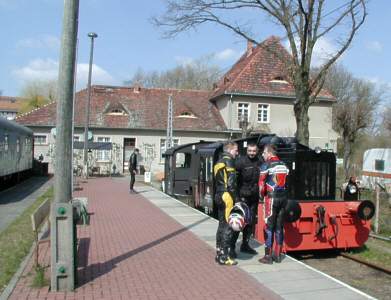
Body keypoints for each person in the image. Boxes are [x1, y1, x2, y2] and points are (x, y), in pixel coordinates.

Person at [258, 144, 289, 264]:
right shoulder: (284, 165)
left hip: (271, 198)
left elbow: (261, 185)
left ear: (269, 153)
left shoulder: (266, 165)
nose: (263, 155)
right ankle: (278, 255)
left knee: (268, 227)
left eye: (264, 153)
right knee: (279, 227)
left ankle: (268, 256)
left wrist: (261, 196)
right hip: (283, 198)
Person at [231, 143, 261, 257]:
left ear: (257, 151)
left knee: (250, 222)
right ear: (247, 150)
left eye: (254, 151)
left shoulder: (260, 162)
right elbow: (234, 181)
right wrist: (237, 198)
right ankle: (232, 247)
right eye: (250, 151)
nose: (252, 153)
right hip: (242, 196)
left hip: (254, 197)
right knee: (238, 223)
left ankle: (245, 245)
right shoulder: (240, 162)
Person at [214, 141, 239, 265]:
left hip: (218, 194)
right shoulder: (229, 161)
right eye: (236, 150)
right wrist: (237, 200)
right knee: (228, 226)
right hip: (227, 196)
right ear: (229, 150)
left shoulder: (218, 161)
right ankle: (225, 256)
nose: (237, 152)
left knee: (221, 224)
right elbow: (231, 183)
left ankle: (219, 252)